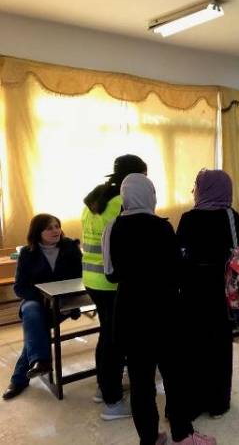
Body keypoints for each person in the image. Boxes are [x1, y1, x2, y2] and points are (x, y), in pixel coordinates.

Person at [103, 174, 215, 445]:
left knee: (141, 382)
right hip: (164, 312)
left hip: (129, 313)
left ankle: (150, 438)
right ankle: (183, 434)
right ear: (149, 195)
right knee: (175, 376)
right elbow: (178, 272)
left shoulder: (112, 227)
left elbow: (110, 274)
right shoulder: (161, 227)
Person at [82, 154, 146, 419]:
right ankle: (113, 401)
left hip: (92, 278)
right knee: (115, 341)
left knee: (107, 335)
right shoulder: (122, 203)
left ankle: (103, 388)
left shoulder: (94, 201)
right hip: (112, 282)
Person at [176, 169, 239, 419]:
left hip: (192, 288)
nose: (194, 190)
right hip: (220, 287)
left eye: (196, 185)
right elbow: (234, 249)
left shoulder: (189, 218)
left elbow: (179, 253)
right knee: (219, 344)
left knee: (192, 344)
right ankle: (218, 402)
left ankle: (193, 402)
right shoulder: (231, 216)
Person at [3, 214, 82, 400]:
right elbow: (20, 287)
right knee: (32, 314)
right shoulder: (27, 253)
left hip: (64, 303)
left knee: (35, 328)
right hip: (37, 302)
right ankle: (37, 364)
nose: (55, 231)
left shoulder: (70, 247)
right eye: (49, 228)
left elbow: (80, 278)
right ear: (38, 232)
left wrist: (65, 300)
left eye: (57, 226)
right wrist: (45, 298)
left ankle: (27, 373)